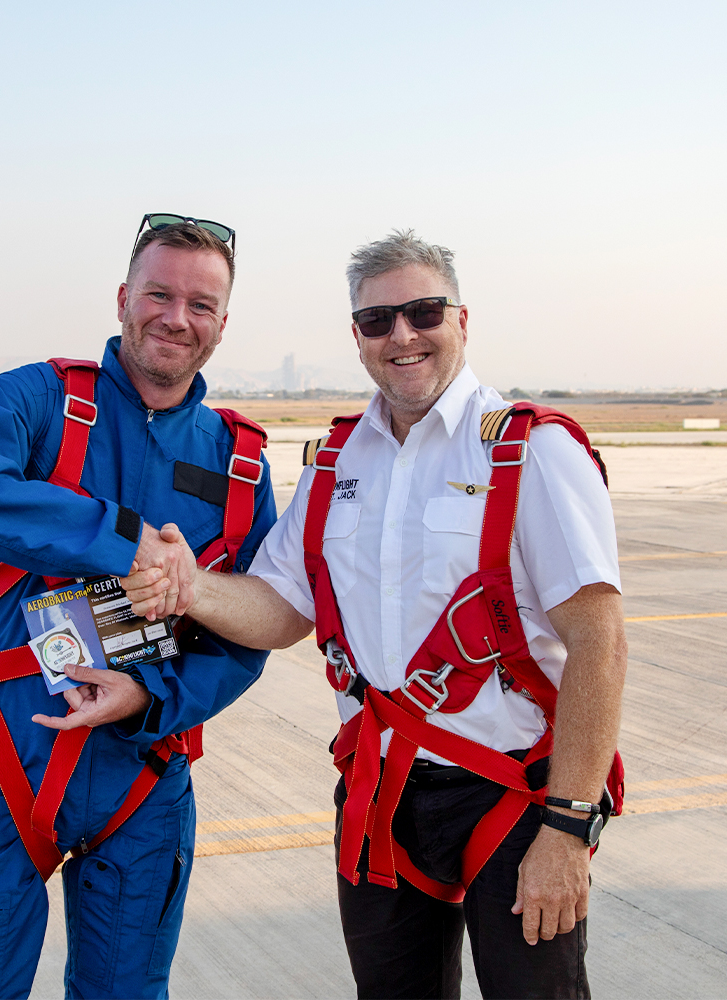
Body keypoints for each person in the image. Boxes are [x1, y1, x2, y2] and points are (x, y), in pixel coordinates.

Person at [124, 230, 627, 999]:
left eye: (422, 311)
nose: (401, 335)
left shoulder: (528, 451)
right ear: (357, 337)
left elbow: (598, 639)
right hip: (382, 793)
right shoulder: (338, 463)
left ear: (462, 319)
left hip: (515, 799)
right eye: (375, 320)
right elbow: (280, 608)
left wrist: (568, 826)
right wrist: (190, 588)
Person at [0, 215, 277, 1000]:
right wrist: (119, 538)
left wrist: (153, 698)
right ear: (122, 298)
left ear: (221, 324)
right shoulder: (40, 401)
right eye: (160, 293)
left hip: (143, 775)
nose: (177, 317)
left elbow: (251, 628)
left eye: (201, 304)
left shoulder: (235, 462)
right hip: (2, 764)